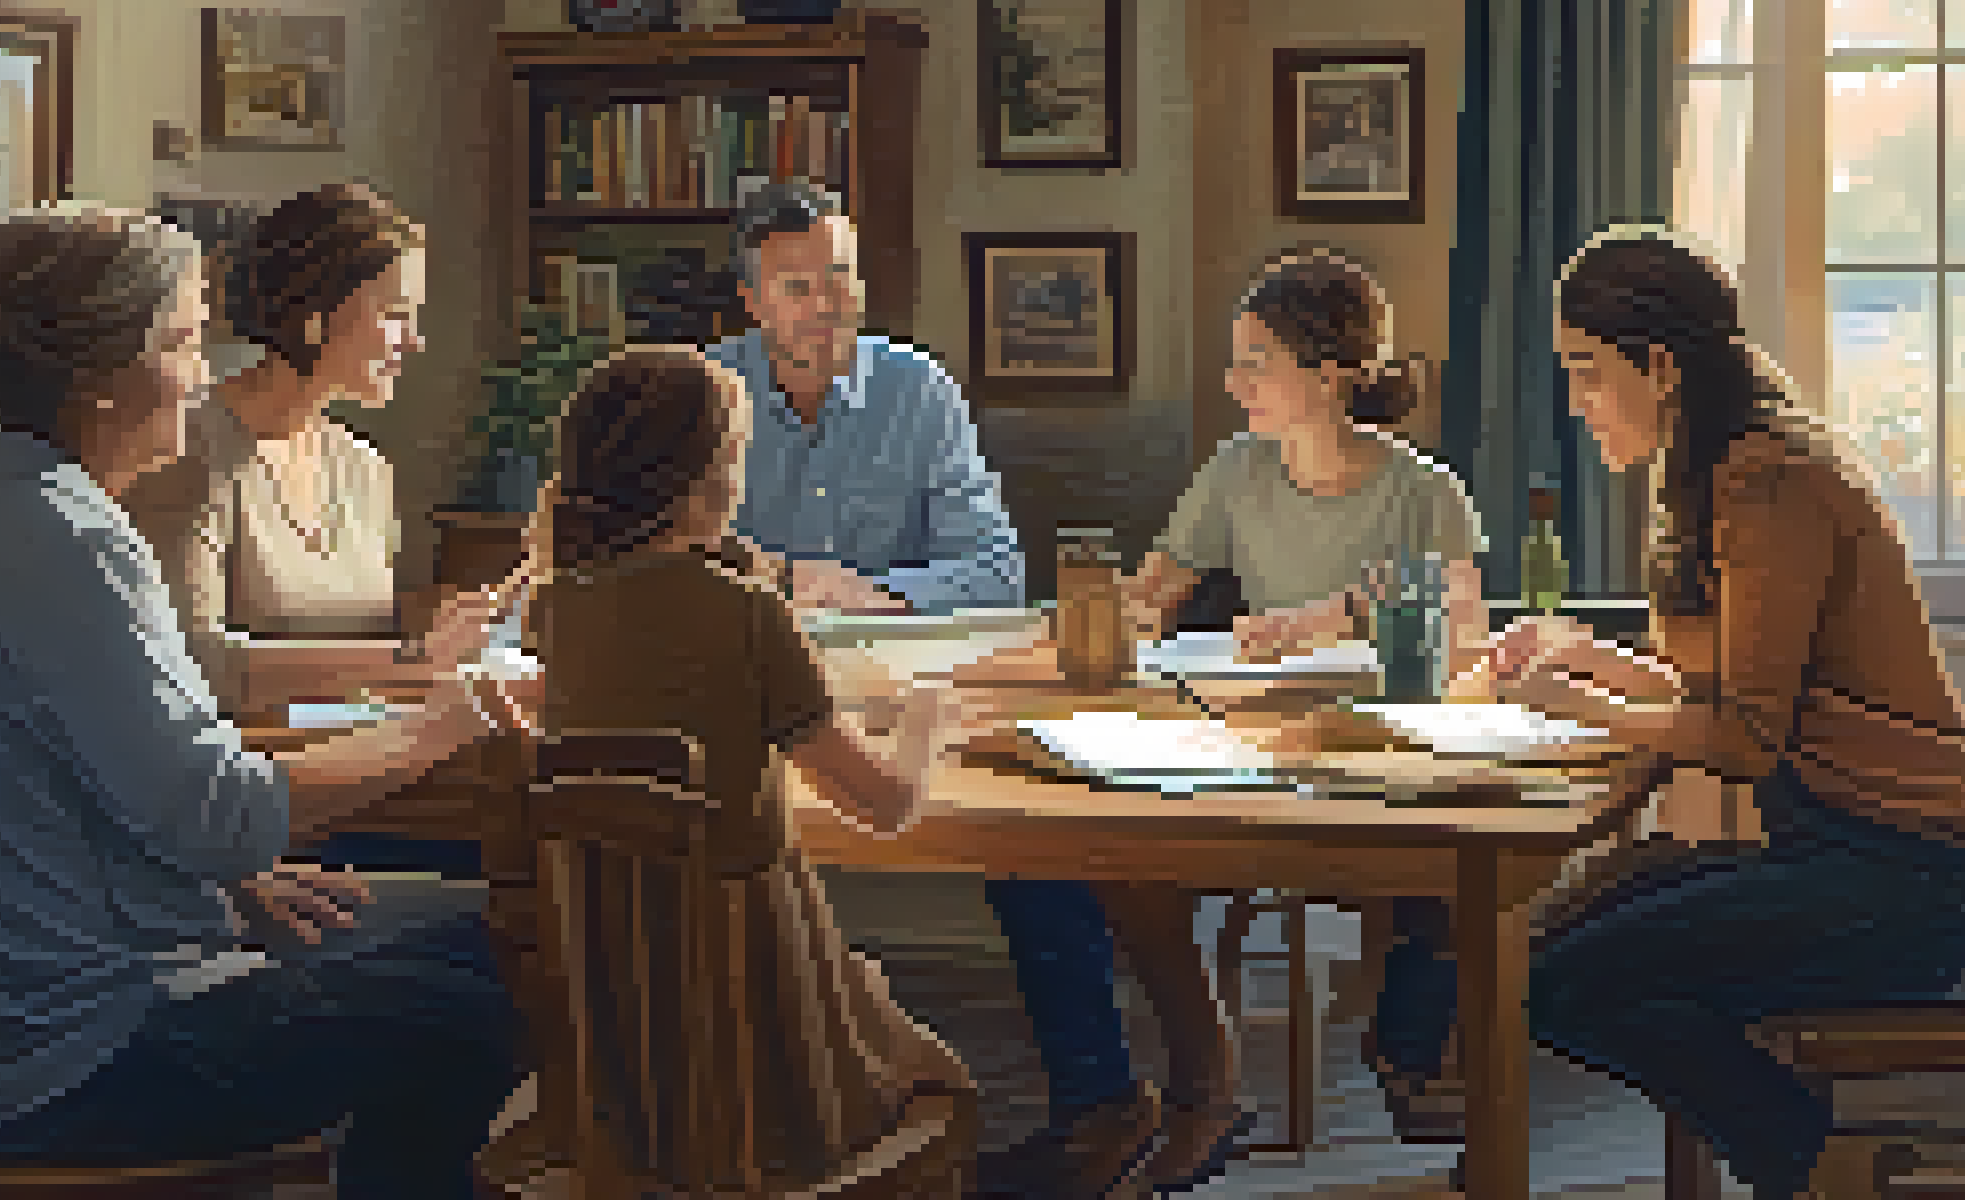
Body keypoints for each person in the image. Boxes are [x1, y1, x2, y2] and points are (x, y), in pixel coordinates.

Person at [0, 206, 531, 1200]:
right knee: (510, 977)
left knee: (471, 953)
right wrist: (443, 723)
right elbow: (220, 812)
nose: (205, 377)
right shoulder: (73, 545)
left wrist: (233, 883)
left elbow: (75, 788)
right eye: (186, 342)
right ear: (104, 378)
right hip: (84, 1059)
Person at [1408, 225, 1965, 1200]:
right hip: (1849, 848)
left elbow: (1741, 738)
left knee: (1566, 982)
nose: (1576, 405)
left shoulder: (1769, 483)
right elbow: (1726, 692)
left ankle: (1820, 1162)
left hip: (1914, 872)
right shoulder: (1721, 466)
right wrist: (1590, 656)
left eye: (1585, 372)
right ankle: (1802, 1153)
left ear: (1657, 365)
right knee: (1551, 950)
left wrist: (1576, 702)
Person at [980, 251, 1494, 1196]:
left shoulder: (1425, 494)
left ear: (1331, 371)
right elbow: (1158, 595)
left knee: (1454, 883)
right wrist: (1115, 609)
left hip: (1376, 765)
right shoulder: (1236, 471)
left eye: (1256, 361)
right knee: (1122, 855)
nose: (1233, 382)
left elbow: (1465, 641)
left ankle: (1426, 1068)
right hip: (1249, 748)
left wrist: (1335, 619)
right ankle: (1206, 1087)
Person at [487, 345, 976, 1191]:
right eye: (737, 458)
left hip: (622, 1058)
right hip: (761, 1045)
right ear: (705, 478)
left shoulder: (558, 603)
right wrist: (925, 719)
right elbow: (886, 805)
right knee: (946, 1085)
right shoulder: (746, 614)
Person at [127, 182, 512, 879]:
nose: (414, 341)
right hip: (251, 828)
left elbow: (373, 656)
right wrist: (410, 659)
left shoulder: (364, 469)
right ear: (314, 315)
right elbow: (196, 667)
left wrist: (446, 649)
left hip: (368, 791)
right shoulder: (188, 454)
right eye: (395, 315)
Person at [706, 180, 1026, 615]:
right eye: (797, 288)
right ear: (753, 301)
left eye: (838, 279)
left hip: (892, 654)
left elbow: (998, 573)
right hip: (744, 648)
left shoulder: (918, 387)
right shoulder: (704, 390)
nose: (823, 305)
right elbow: (656, 564)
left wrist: (868, 592)